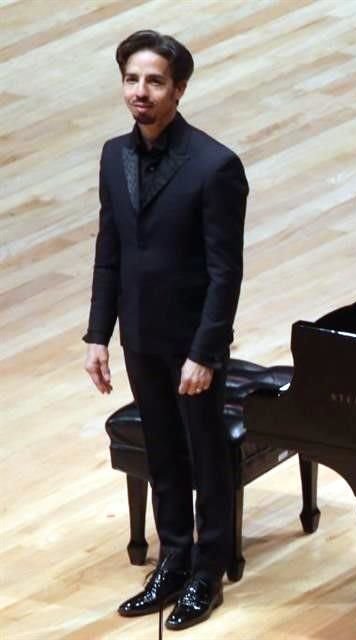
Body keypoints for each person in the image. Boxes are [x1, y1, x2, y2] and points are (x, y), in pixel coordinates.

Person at [83, 29, 247, 631]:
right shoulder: (112, 155)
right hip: (139, 339)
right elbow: (110, 250)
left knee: (206, 456)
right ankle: (173, 559)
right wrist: (98, 334)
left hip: (192, 344)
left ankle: (210, 568)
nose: (140, 92)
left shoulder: (214, 165)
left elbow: (225, 271)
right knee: (162, 452)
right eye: (132, 79)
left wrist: (206, 352)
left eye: (154, 81)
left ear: (179, 89)